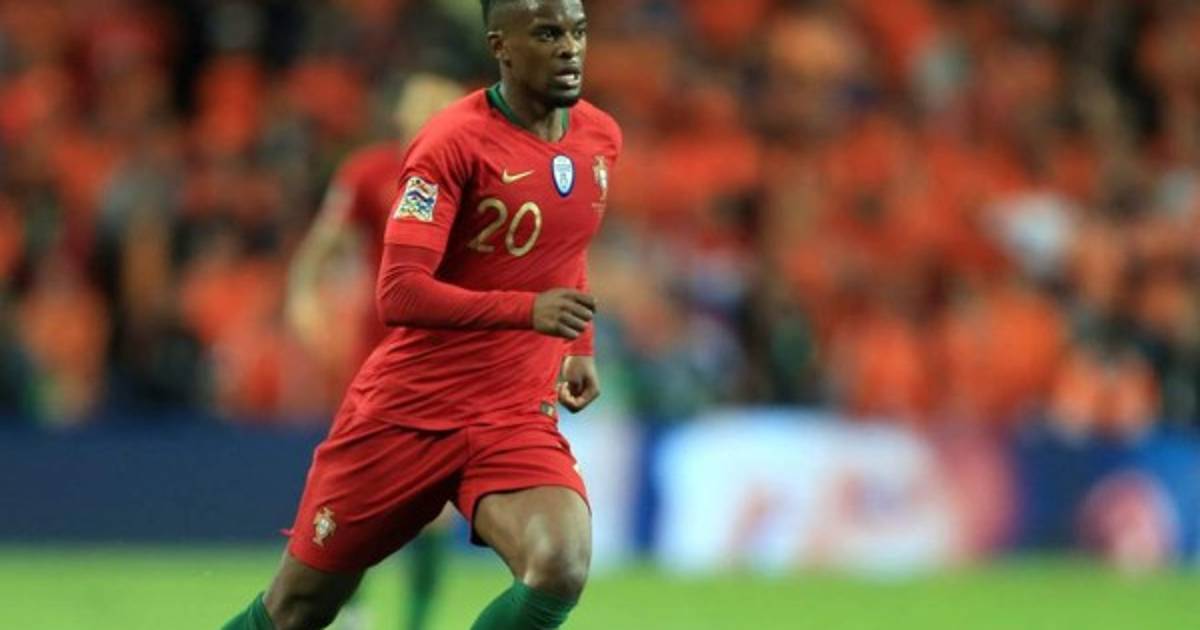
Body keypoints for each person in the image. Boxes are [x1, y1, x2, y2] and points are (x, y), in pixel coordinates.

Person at [223, 0, 619, 628]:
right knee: (297, 608)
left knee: (560, 563)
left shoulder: (599, 137)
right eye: (548, 34)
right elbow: (400, 293)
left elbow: (565, 251)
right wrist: (529, 311)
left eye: (578, 31)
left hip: (514, 414)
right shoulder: (449, 143)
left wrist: (580, 345)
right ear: (501, 46)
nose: (570, 48)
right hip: (410, 411)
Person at [286, 73, 466, 630]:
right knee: (355, 493)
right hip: (379, 358)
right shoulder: (369, 174)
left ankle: (415, 623)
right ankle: (352, 611)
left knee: (434, 506)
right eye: (417, 107)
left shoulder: (482, 178)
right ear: (401, 116)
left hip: (451, 363)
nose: (425, 117)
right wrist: (304, 301)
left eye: (437, 108)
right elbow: (321, 248)